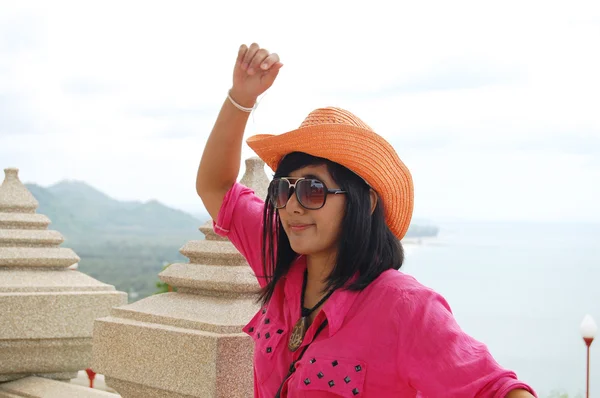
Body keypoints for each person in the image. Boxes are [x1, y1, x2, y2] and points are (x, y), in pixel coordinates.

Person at [196, 43, 537, 398]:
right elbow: (215, 186)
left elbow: (496, 388)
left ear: (364, 202)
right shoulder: (282, 263)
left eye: (313, 190)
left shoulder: (404, 307)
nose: (293, 207)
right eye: (283, 189)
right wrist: (241, 98)